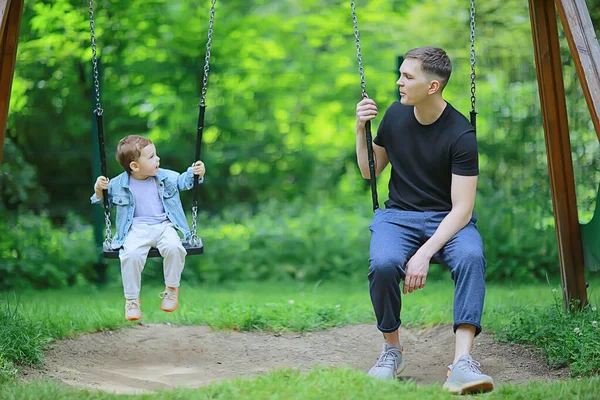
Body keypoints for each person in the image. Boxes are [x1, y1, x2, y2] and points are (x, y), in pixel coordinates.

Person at [355, 46, 494, 394]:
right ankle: (391, 350)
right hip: (398, 216)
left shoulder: (461, 134)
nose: (399, 82)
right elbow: (368, 171)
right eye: (401, 74)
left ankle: (462, 362)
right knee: (384, 263)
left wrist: (425, 253)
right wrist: (360, 129)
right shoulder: (395, 116)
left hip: (447, 218)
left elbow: (462, 209)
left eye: (407, 76)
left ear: (432, 86)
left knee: (471, 257)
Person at [91, 135, 205, 321]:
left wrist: (196, 172)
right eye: (151, 157)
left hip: (164, 226)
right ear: (134, 166)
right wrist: (98, 189)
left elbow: (184, 181)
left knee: (175, 248)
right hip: (135, 229)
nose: (157, 159)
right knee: (130, 255)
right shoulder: (119, 184)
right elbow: (103, 199)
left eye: (156, 154)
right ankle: (132, 299)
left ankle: (171, 288)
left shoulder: (165, 176)